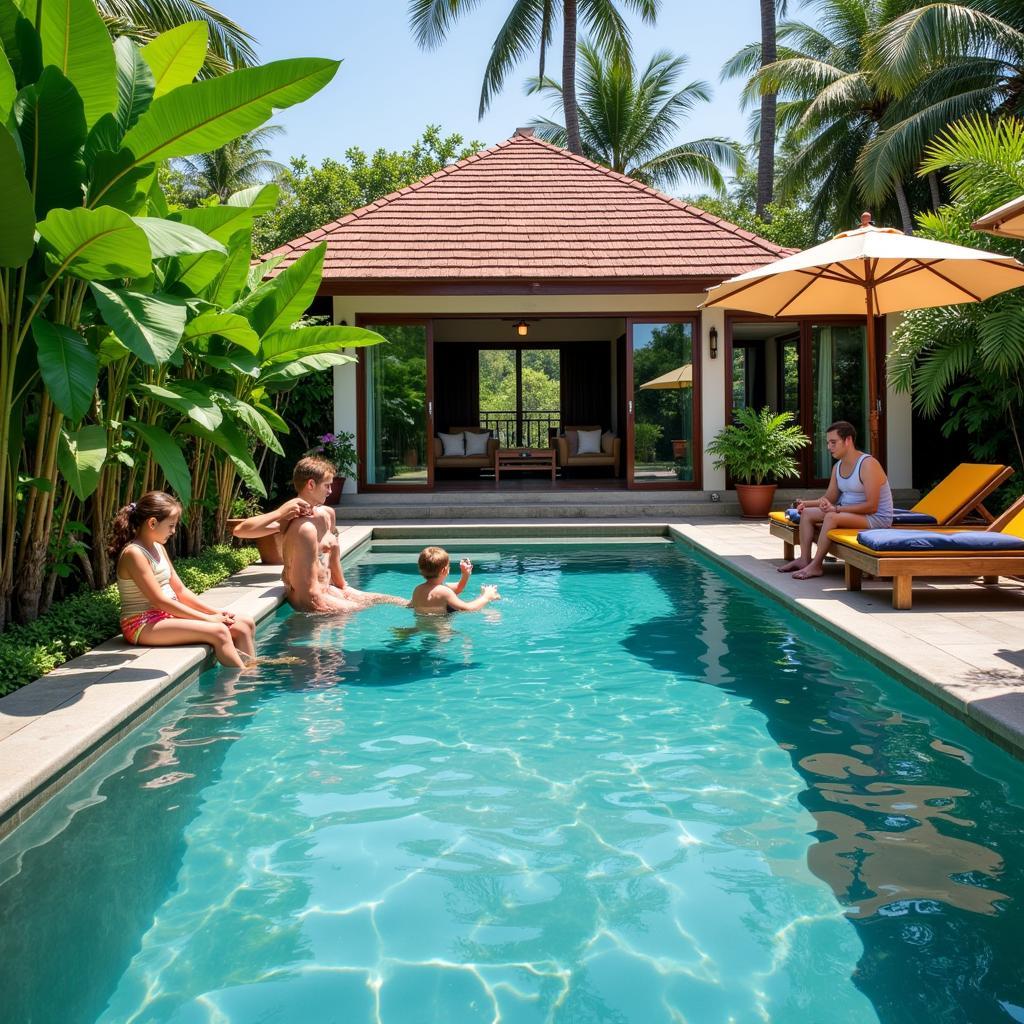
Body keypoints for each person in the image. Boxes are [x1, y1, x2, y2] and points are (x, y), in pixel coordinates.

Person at [235, 456, 402, 613]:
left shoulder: (326, 515)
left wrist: (343, 588)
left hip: (328, 588)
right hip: (311, 599)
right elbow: (240, 530)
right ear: (311, 485)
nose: (330, 491)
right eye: (327, 485)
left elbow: (332, 561)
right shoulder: (295, 521)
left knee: (396, 601)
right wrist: (279, 512)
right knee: (366, 613)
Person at [112, 491, 256, 668]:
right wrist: (209, 620)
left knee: (244, 624)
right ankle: (245, 682)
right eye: (171, 526)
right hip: (142, 623)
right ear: (152, 523)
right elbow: (159, 601)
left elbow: (180, 591)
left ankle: (251, 669)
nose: (173, 531)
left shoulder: (157, 547)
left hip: (165, 617)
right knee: (219, 632)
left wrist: (215, 612)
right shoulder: (134, 553)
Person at [779, 420, 894, 580]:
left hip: (876, 518)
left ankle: (816, 565)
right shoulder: (837, 467)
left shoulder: (868, 464)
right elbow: (830, 498)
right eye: (828, 443)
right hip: (849, 513)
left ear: (848, 440)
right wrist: (807, 504)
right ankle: (805, 559)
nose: (828, 447)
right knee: (807, 514)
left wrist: (837, 509)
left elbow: (872, 506)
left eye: (833, 442)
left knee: (831, 516)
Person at [410, 546, 501, 613]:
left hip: (423, 627)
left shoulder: (418, 589)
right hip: (441, 634)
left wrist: (465, 575)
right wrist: (486, 596)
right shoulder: (444, 591)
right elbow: (468, 608)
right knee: (466, 639)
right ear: (445, 570)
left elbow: (458, 588)